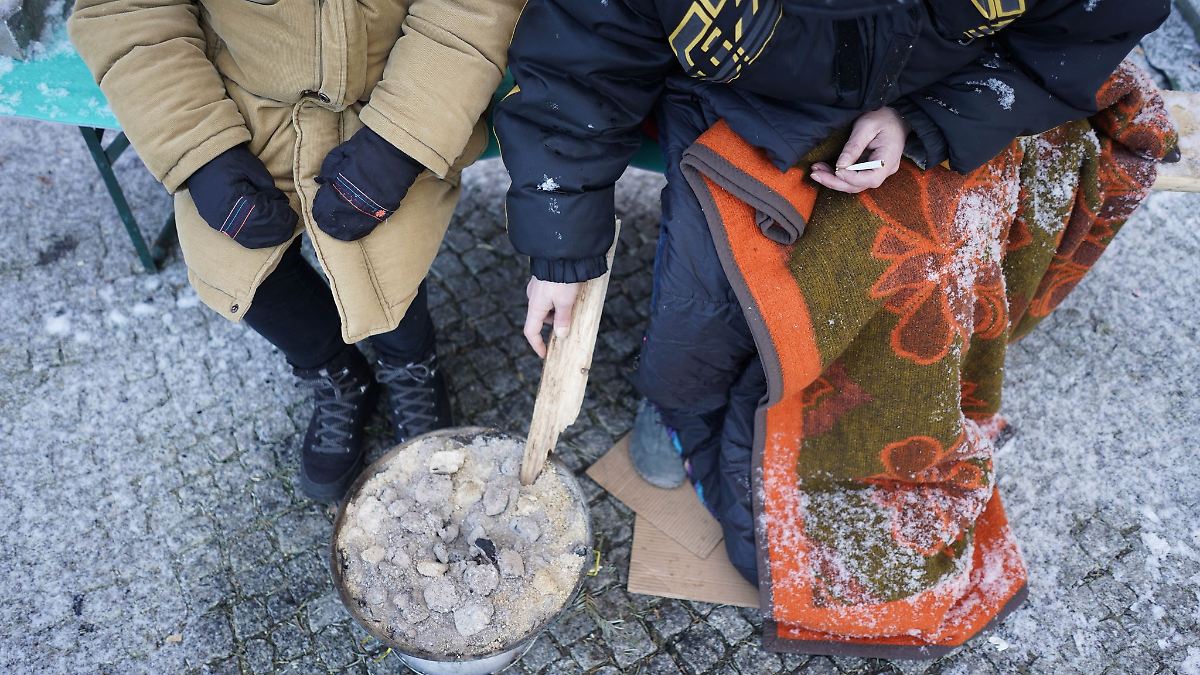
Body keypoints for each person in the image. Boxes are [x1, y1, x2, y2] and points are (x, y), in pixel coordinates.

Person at [495, 0, 1170, 583]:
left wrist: (927, 119)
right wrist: (562, 249)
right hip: (739, 100)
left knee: (912, 301)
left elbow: (1082, 32)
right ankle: (678, 401)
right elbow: (582, 57)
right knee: (702, 312)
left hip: (942, 87)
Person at [69, 0, 524, 501]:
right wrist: (198, 150)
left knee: (384, 256)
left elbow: (475, 8)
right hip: (238, 102)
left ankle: (410, 365)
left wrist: (403, 139)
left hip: (396, 93)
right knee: (237, 266)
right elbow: (127, 11)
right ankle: (336, 372)